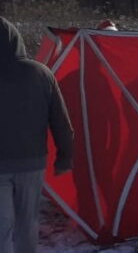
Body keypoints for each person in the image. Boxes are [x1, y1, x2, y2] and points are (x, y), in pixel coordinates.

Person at [0, 17, 73, 253]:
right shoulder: (41, 74)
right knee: (27, 224)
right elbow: (61, 122)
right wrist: (65, 157)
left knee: (1, 227)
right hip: (32, 163)